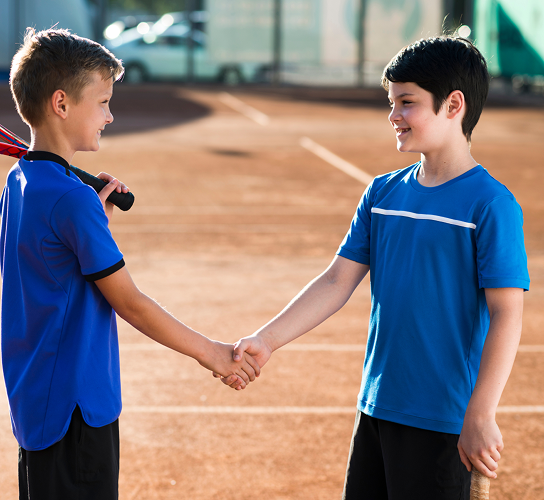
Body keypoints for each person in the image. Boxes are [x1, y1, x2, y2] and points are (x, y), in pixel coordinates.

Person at [218, 35, 529, 499]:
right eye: (392, 103)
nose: (394, 115)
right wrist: (267, 340)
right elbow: (336, 280)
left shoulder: (490, 204)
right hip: (377, 407)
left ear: (453, 105)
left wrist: (480, 413)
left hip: (443, 420)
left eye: (407, 102)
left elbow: (507, 313)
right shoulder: (382, 193)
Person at [0, 28, 259, 499]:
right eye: (102, 102)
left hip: (36, 398)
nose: (110, 115)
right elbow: (130, 303)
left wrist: (95, 223)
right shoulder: (72, 200)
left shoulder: (19, 182)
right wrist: (213, 353)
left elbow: (51, 271)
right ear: (61, 104)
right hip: (77, 411)